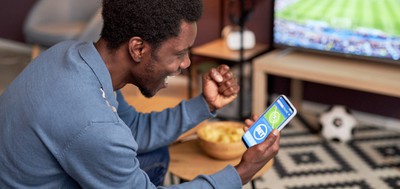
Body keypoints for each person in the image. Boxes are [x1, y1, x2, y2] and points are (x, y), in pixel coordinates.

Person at [0, 0, 280, 188]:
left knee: (155, 151)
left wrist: (204, 104)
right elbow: (105, 132)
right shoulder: (94, 125)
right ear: (138, 49)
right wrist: (242, 172)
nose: (186, 64)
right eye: (179, 54)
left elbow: (133, 129)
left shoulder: (70, 54)